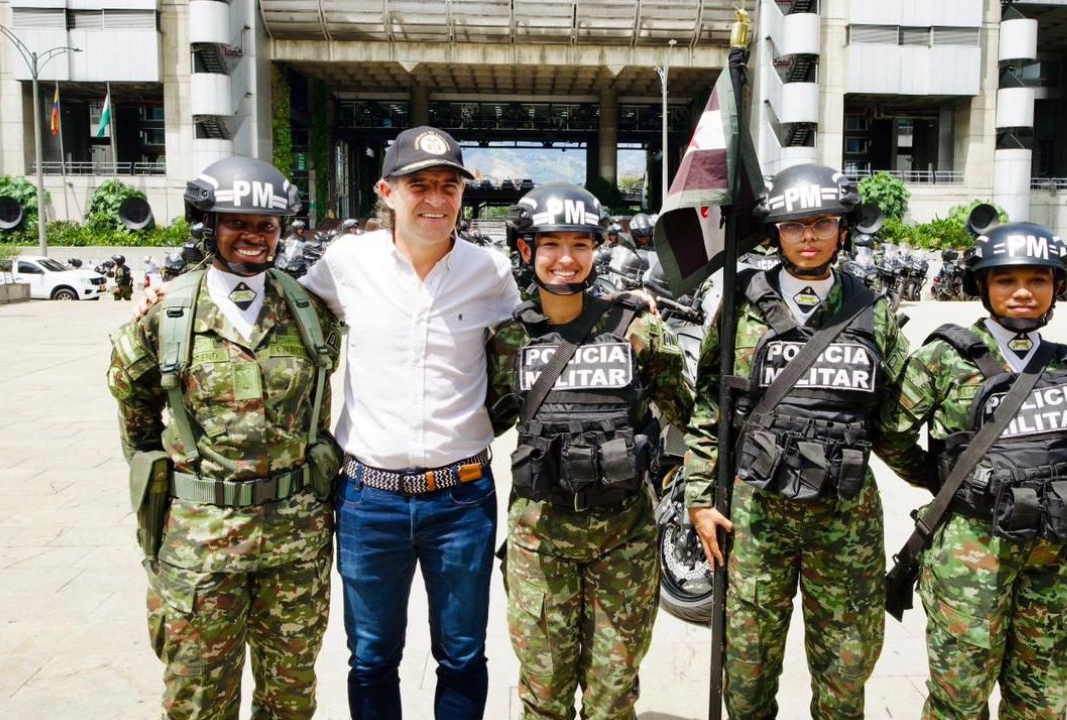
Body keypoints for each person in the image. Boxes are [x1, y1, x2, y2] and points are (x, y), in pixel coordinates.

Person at [108, 156, 342, 719]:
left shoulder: (309, 309)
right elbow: (135, 411)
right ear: (207, 226)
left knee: (290, 697)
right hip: (200, 545)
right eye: (236, 222)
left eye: (266, 226)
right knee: (197, 700)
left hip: (296, 539)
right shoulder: (167, 314)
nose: (253, 237)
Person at [302, 126, 521, 719]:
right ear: (386, 191)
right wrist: (164, 291)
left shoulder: (490, 272)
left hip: (461, 500)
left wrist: (631, 308)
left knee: (463, 654)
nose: (435, 199)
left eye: (448, 186)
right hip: (369, 500)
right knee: (372, 656)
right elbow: (277, 309)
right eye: (418, 184)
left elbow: (545, 331)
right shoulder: (345, 264)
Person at [684, 163, 911, 719]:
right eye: (794, 226)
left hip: (847, 518)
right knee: (747, 667)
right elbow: (710, 406)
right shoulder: (739, 309)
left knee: (845, 667)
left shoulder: (874, 312)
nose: (808, 237)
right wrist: (698, 497)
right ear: (774, 233)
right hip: (756, 515)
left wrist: (949, 481)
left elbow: (895, 418)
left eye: (821, 223)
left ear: (842, 229)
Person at [877, 220, 1067, 719]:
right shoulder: (943, 358)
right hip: (971, 561)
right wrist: (944, 481)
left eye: (1038, 280)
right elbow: (890, 432)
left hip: (1054, 562)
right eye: (1006, 280)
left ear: (1056, 286)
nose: (1024, 293)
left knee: (1042, 704)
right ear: (982, 286)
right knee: (959, 704)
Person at [485, 184, 693, 720]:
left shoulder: (636, 329)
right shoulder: (510, 338)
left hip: (623, 540)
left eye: (580, 244)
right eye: (550, 245)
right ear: (525, 251)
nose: (566, 259)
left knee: (613, 695)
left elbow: (689, 414)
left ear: (597, 250)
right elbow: (482, 420)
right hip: (540, 542)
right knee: (543, 696)